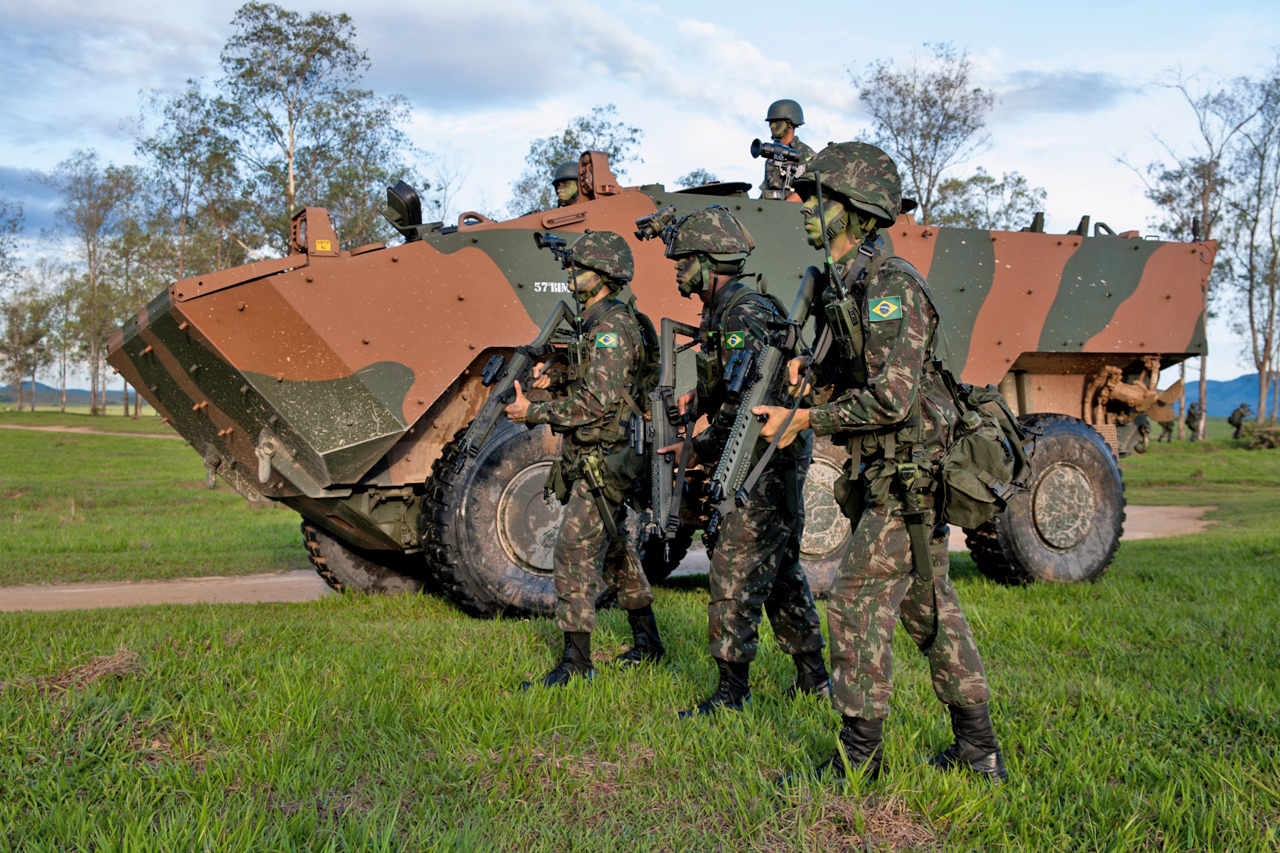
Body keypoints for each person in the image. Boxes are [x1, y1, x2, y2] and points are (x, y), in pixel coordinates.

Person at [756, 141, 1006, 784]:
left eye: (819, 200)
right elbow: (861, 379)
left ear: (856, 210)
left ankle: (857, 761)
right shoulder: (851, 286)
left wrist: (808, 420)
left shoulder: (890, 285)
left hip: (908, 477)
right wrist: (812, 384)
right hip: (892, 474)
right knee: (930, 609)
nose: (805, 210)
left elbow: (894, 398)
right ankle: (979, 752)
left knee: (854, 600)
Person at [649, 206, 829, 717]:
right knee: (780, 569)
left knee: (734, 568)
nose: (678, 270)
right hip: (756, 456)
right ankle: (814, 678)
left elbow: (752, 409)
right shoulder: (721, 312)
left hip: (763, 462)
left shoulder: (743, 313)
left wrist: (696, 449)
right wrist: (698, 403)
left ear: (710, 262)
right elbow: (728, 387)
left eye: (684, 261)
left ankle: (732, 693)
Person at [505, 231, 664, 687]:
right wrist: (553, 374)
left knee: (572, 550)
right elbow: (588, 380)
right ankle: (648, 643)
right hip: (597, 455)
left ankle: (577, 665)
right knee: (615, 551)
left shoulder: (612, 328)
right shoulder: (597, 325)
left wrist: (531, 412)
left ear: (605, 275)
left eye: (581, 266)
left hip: (606, 459)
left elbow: (596, 402)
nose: (571, 272)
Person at [760, 99, 816, 199]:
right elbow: (765, 191)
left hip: (794, 212)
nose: (772, 126)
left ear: (790, 123)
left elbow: (807, 192)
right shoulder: (771, 155)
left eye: (776, 122)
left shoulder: (806, 155)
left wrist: (781, 211)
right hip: (770, 210)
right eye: (770, 122)